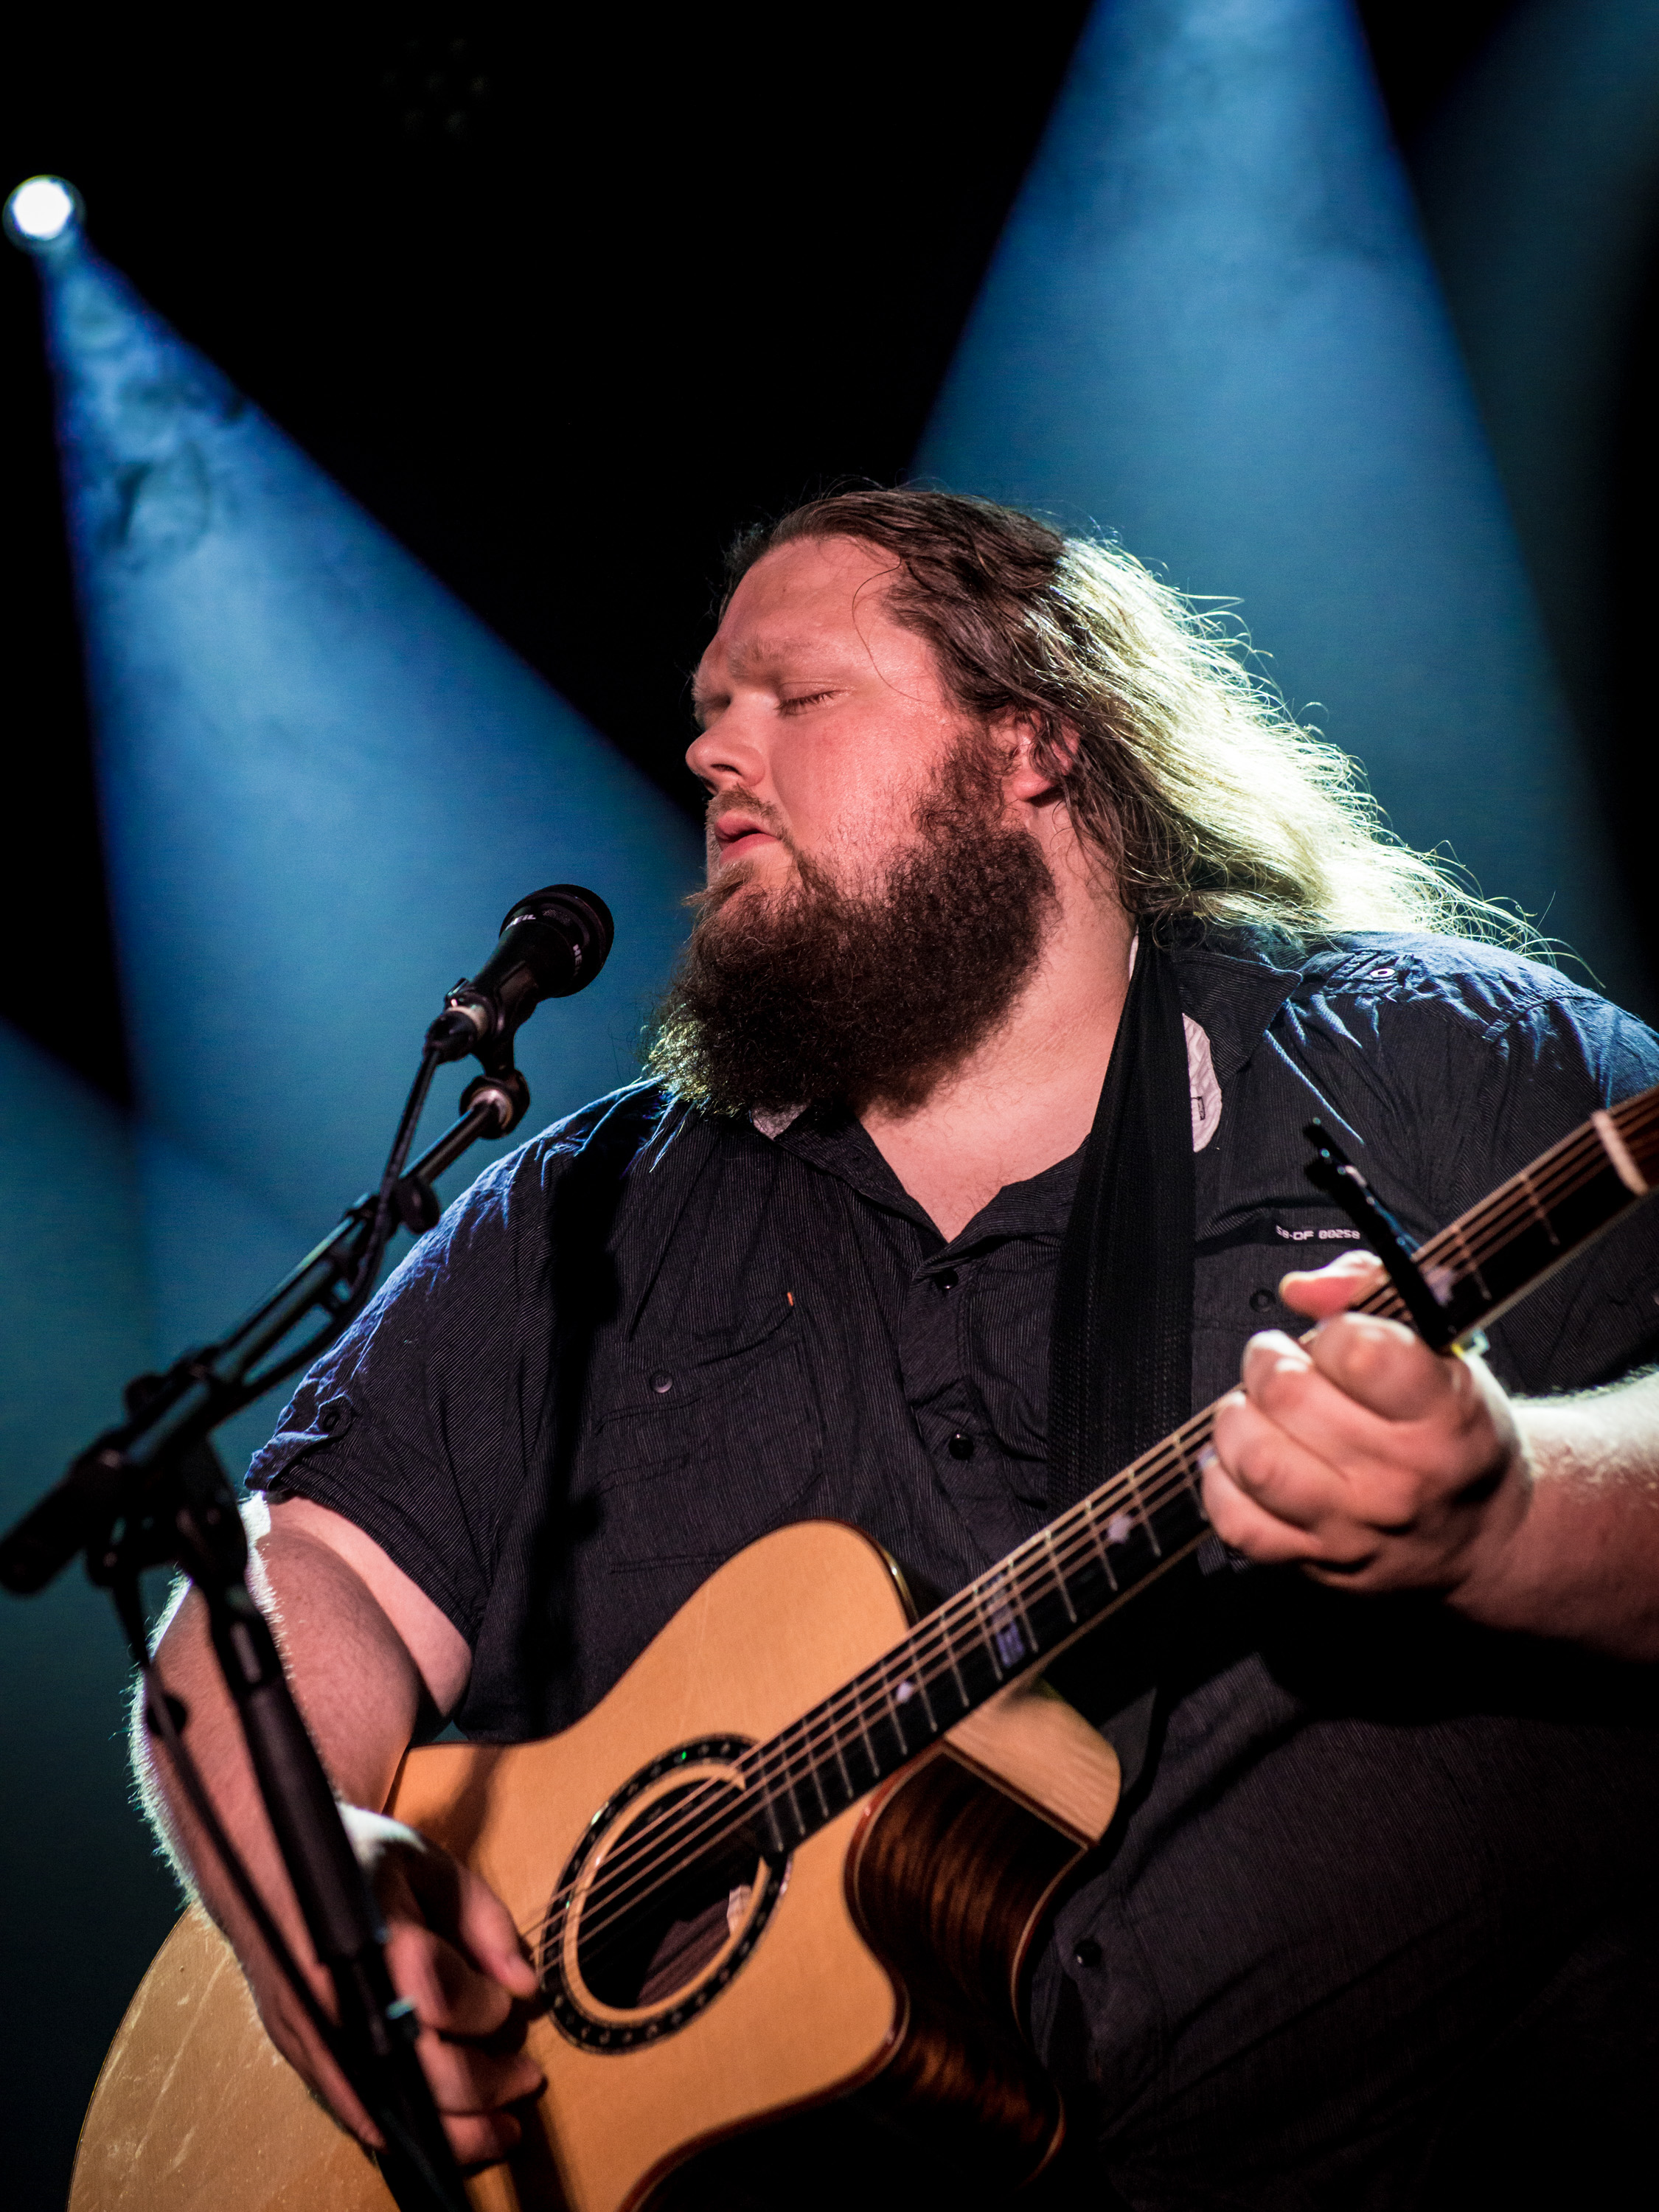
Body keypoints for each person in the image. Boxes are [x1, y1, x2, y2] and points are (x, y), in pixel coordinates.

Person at [140, 490, 1659, 2209]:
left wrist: (1512, 1512)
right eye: (710, 716)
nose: (719, 756)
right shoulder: (579, 1215)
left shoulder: (1439, 1062)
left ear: (1034, 744)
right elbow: (284, 1579)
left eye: (796, 697)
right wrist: (310, 1892)